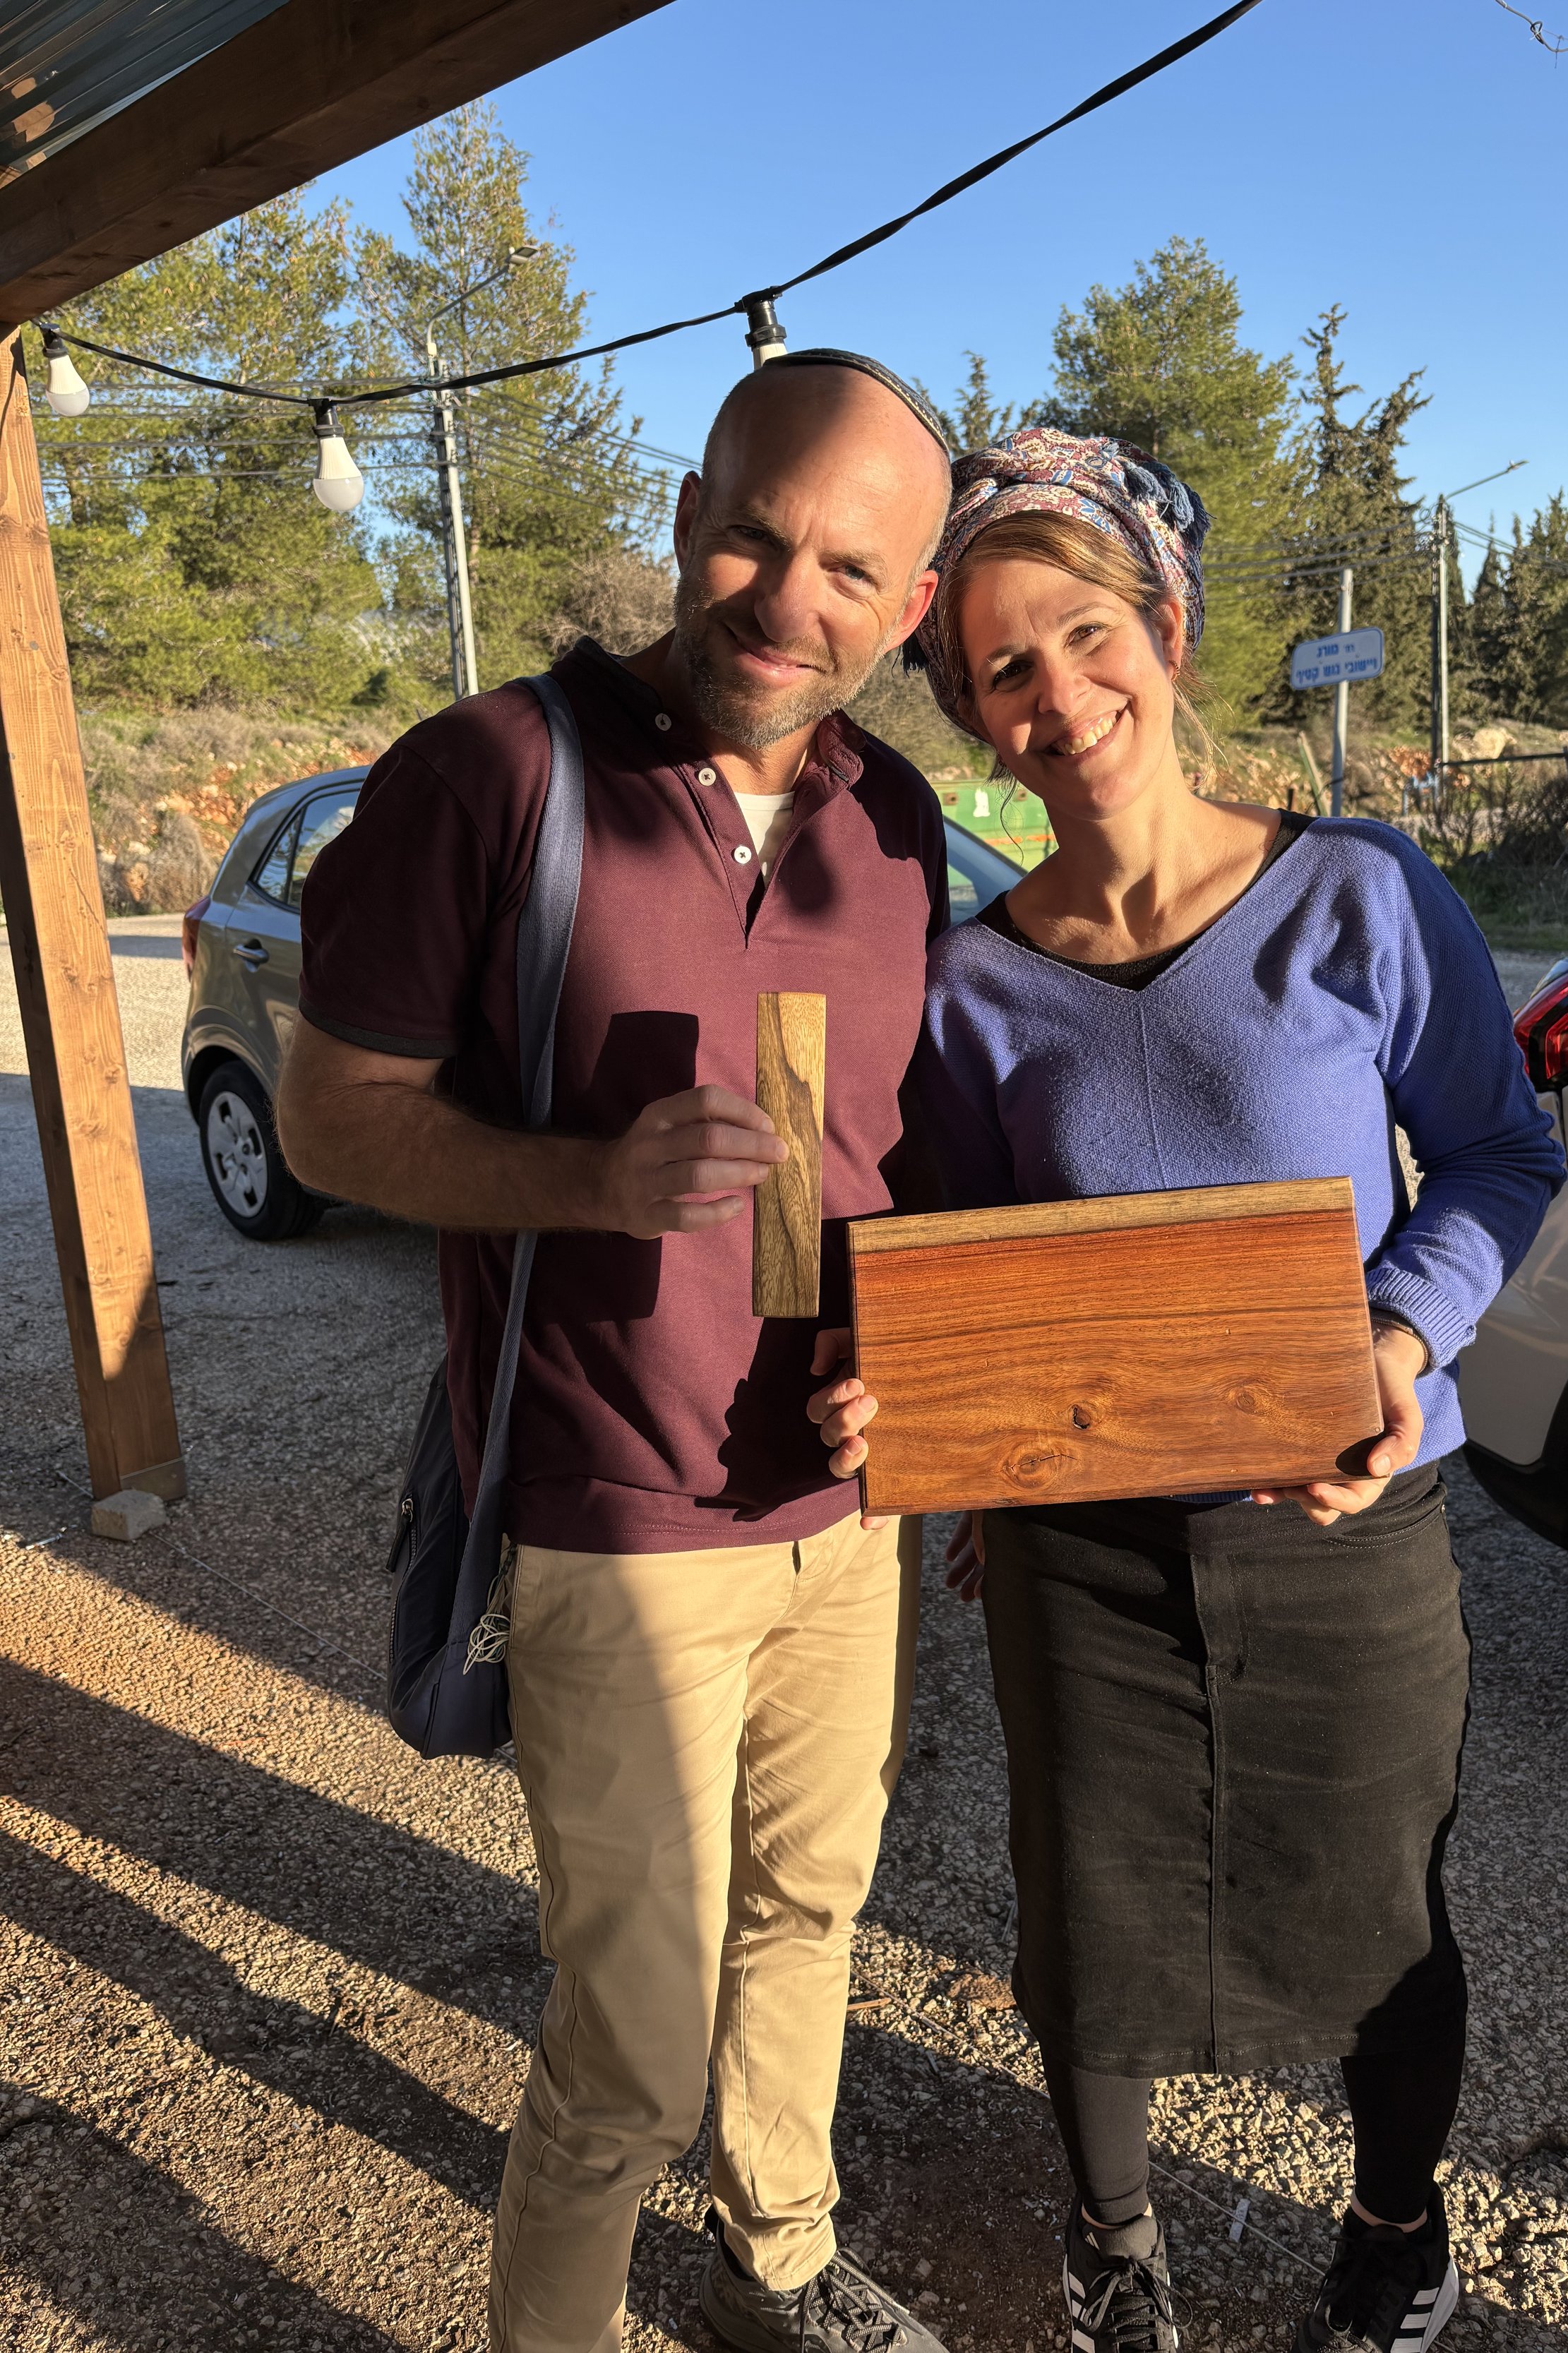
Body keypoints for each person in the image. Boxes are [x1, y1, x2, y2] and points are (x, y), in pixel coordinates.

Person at [807, 429, 1564, 2353]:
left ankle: (1392, 2231)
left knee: (1384, 1910)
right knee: (1091, 1921)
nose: (1058, 695)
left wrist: (1396, 1349)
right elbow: (965, 1264)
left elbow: (1495, 1157)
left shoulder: (1362, 899)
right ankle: (1111, 2243)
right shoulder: (969, 988)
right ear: (969, 714)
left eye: (1082, 633)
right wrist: (939, 1436)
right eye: (1001, 669)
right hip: (1083, 1558)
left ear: (1162, 624)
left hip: (1348, 1526)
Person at [278, 353, 959, 2353]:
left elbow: (900, 1157)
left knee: (811, 1920)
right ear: (684, 512)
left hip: (842, 1506)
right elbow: (330, 1118)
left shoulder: (901, 822)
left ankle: (783, 2260)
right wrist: (592, 1180)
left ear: (908, 606)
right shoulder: (496, 772)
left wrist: (915, 1362)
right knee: (632, 2046)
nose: (785, 597)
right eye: (753, 533)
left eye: (850, 565)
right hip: (612, 1521)